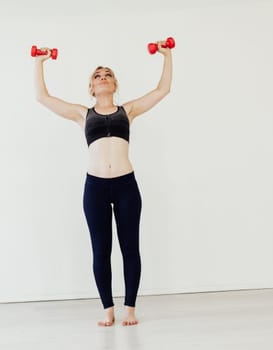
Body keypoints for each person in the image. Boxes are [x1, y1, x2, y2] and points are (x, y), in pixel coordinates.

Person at [33, 41, 172, 327]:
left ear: (114, 84)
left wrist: (167, 55)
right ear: (92, 88)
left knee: (130, 248)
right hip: (95, 188)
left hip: (126, 186)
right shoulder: (83, 114)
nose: (103, 77)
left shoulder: (128, 110)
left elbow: (162, 90)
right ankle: (108, 309)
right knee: (101, 249)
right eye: (97, 75)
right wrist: (40, 62)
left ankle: (130, 309)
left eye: (107, 74)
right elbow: (42, 97)